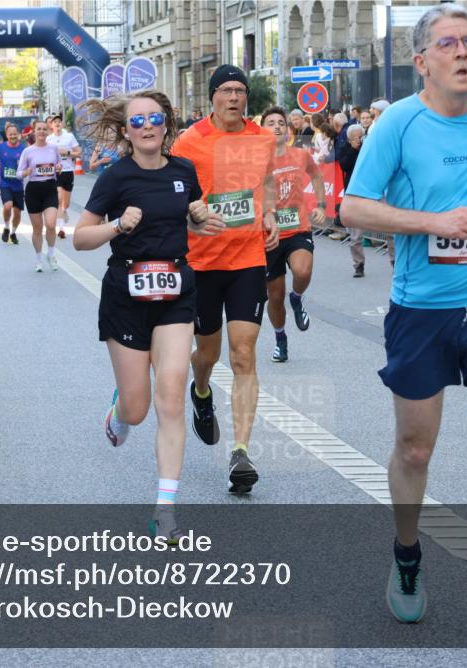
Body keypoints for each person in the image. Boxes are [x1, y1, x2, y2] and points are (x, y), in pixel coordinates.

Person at [339, 4, 467, 660]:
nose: (463, 52)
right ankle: (406, 553)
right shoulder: (399, 122)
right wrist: (434, 224)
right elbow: (351, 207)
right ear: (422, 60)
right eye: (447, 44)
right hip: (420, 311)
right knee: (415, 451)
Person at [74, 91, 223, 542]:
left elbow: (190, 221)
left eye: (155, 118)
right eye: (137, 121)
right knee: (138, 411)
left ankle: (166, 507)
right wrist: (118, 225)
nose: (147, 126)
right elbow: (81, 238)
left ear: (166, 124)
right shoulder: (116, 177)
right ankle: (119, 410)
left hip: (176, 291)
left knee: (173, 390)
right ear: (126, 131)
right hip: (126, 294)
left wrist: (202, 217)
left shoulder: (184, 172)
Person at [170, 64, 279, 494]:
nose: (234, 97)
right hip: (201, 262)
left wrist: (268, 211)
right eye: (226, 91)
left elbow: (267, 181)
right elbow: (176, 191)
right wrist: (194, 212)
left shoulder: (263, 138)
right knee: (207, 354)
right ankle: (200, 392)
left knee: (243, 353)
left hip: (248, 258)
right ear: (212, 96)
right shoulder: (190, 141)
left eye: (240, 90)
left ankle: (240, 451)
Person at [261, 107, 326, 363]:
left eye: (281, 122)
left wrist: (320, 205)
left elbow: (317, 176)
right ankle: (280, 338)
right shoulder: (256, 160)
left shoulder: (300, 155)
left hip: (298, 227)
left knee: (302, 271)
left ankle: (297, 298)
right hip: (268, 234)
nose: (276, 126)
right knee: (274, 296)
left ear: (288, 129)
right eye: (270, 123)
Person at [18, 120, 63, 272]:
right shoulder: (28, 151)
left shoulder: (53, 148)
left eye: (44, 129)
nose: (42, 132)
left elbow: (59, 167)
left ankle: (51, 254)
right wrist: (25, 172)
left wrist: (58, 168)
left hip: (50, 187)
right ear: (34, 131)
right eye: (39, 129)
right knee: (37, 228)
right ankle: (38, 258)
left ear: (48, 131)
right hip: (33, 190)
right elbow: (18, 173)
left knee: (50, 224)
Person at [0, 124, 25, 245]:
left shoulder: (23, 149)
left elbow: (30, 163)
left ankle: (13, 232)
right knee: (8, 206)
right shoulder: (0, 147)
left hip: (18, 185)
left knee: (18, 212)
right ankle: (6, 227)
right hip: (5, 183)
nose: (13, 136)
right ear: (7, 135)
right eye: (10, 134)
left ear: (18, 134)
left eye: (14, 134)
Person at [46, 114, 82, 239]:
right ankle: (61, 228)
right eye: (54, 122)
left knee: (65, 203)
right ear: (51, 125)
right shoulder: (48, 139)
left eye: (59, 121)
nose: (57, 123)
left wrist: (66, 152)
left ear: (62, 124)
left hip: (68, 171)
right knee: (59, 198)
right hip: (56, 172)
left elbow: (79, 152)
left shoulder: (69, 137)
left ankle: (64, 212)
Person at [340, 124, 366, 277]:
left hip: (374, 190)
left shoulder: (369, 146)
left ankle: (395, 261)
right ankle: (359, 265)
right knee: (356, 235)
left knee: (391, 231)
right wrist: (353, 149)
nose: (359, 140)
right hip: (355, 192)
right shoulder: (345, 149)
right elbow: (344, 165)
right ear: (349, 139)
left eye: (360, 136)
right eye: (355, 138)